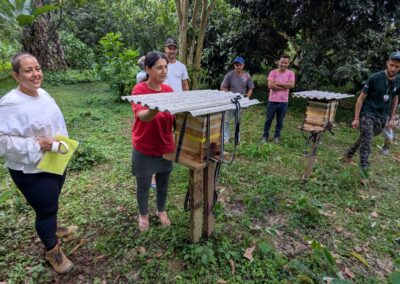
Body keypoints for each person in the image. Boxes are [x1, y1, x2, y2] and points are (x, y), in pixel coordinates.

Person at [0, 52, 76, 274]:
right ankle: (53, 251)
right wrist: (37, 145)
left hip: (55, 159)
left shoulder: (42, 93)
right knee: (46, 209)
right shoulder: (9, 104)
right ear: (16, 75)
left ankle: (52, 230)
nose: (36, 74)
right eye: (28, 70)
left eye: (38, 68)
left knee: (52, 201)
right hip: (31, 169)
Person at [131, 51, 175, 231]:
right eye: (159, 67)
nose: (164, 71)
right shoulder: (139, 90)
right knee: (143, 184)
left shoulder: (169, 91)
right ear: (148, 69)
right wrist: (155, 108)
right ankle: (143, 213)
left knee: (163, 182)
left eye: (165, 67)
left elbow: (176, 118)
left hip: (166, 146)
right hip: (144, 147)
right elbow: (142, 116)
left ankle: (161, 210)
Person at [343, 51, 400, 184]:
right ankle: (364, 172)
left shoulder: (398, 80)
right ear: (387, 63)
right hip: (367, 114)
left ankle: (348, 155)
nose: (393, 69)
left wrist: (391, 118)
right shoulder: (375, 78)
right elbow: (361, 98)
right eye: (391, 65)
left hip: (382, 117)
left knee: (364, 138)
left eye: (397, 67)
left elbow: (395, 99)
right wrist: (356, 118)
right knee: (367, 142)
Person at [261, 54, 295, 143]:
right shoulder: (273, 72)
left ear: (288, 63)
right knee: (268, 119)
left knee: (280, 121)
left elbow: (291, 85)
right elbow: (270, 85)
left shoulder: (291, 73)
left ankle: (277, 136)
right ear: (278, 62)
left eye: (285, 63)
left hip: (284, 101)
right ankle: (265, 135)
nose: (283, 64)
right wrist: (285, 86)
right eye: (282, 62)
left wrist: (278, 83)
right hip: (272, 100)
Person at [220, 56, 255, 143]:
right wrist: (229, 95)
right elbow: (223, 87)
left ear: (243, 65)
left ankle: (237, 138)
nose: (238, 66)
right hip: (231, 100)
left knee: (238, 120)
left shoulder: (246, 75)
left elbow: (250, 88)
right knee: (227, 120)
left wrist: (247, 98)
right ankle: (225, 138)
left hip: (241, 100)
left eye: (240, 65)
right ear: (234, 65)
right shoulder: (229, 75)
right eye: (236, 65)